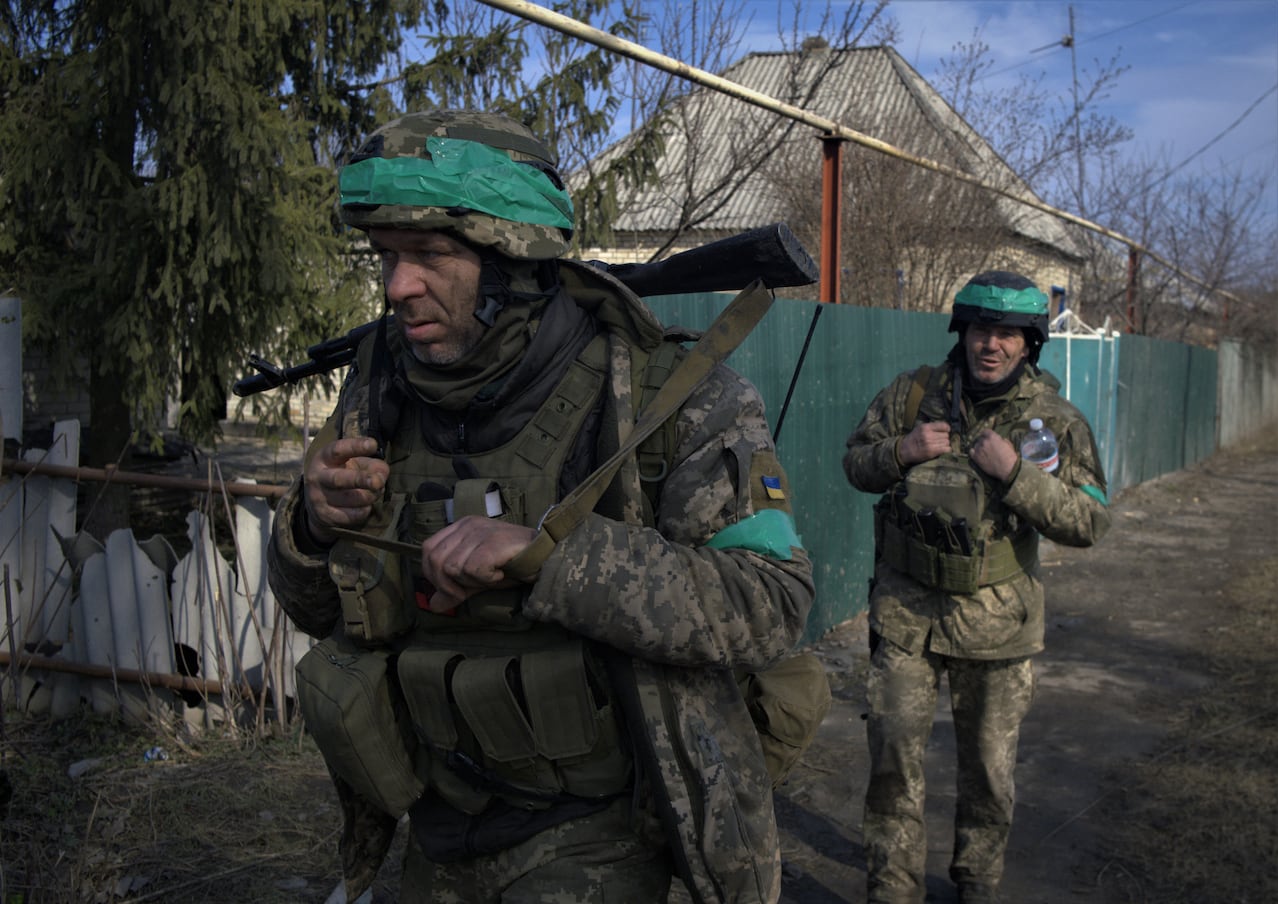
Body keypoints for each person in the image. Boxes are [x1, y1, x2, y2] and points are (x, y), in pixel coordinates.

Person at [266, 109, 818, 904]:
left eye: (428, 254)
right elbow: (315, 609)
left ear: (511, 259)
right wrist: (313, 525)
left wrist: (548, 554)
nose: (397, 286)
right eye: (385, 256)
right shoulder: (379, 384)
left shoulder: (671, 397)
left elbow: (770, 599)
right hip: (434, 818)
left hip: (597, 831)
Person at [842, 271, 1111, 904]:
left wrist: (1017, 475)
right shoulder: (912, 396)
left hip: (998, 626)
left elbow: (1091, 519)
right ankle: (892, 888)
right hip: (906, 615)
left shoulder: (1056, 421)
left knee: (988, 774)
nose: (991, 345)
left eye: (1008, 334)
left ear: (1030, 344)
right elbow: (856, 462)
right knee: (891, 765)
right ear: (963, 333)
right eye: (981, 330)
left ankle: (977, 885)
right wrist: (902, 451)